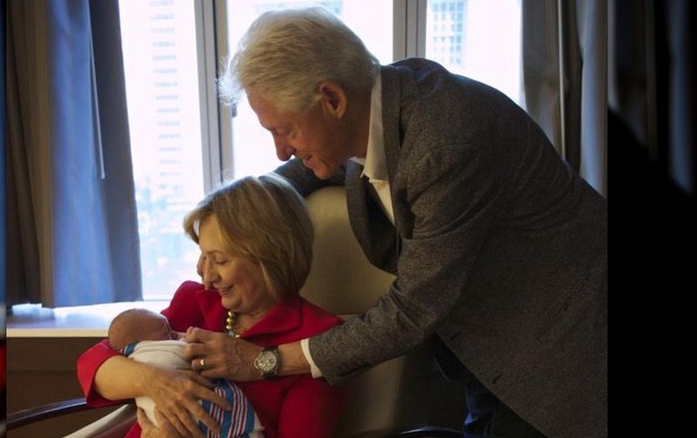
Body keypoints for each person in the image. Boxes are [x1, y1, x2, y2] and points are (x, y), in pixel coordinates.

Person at [181, 6, 608, 438]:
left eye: (286, 130)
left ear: (332, 98)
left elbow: (412, 308)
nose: (280, 150)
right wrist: (240, 214)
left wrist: (263, 360)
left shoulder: (445, 140)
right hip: (488, 356)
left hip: (565, 360)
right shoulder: (376, 105)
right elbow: (305, 168)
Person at [77, 174, 348, 438]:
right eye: (202, 255)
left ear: (271, 258)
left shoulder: (318, 343)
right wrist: (153, 381)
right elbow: (93, 363)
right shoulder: (195, 302)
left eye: (219, 260)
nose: (205, 276)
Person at [107, 308, 264, 437]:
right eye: (170, 334)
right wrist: (148, 377)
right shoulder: (188, 301)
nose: (206, 276)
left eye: (221, 266)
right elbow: (94, 359)